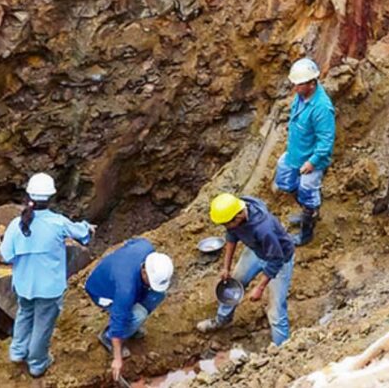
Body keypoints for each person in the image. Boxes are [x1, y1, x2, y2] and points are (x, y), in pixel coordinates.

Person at [0, 172, 94, 377]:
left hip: (24, 284)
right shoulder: (57, 223)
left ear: (28, 196)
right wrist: (88, 228)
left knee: (24, 314)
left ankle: (17, 351)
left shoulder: (16, 225)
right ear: (51, 198)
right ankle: (37, 363)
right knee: (42, 325)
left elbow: (6, 254)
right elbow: (83, 235)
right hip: (49, 288)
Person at [196, 193, 295, 346]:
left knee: (276, 311)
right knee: (232, 285)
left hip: (280, 259)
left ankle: (281, 352)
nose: (226, 227)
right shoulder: (235, 211)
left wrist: (260, 287)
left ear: (239, 216)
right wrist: (226, 267)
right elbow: (231, 235)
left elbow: (276, 259)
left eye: (227, 224)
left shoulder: (264, 228)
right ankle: (222, 320)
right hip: (256, 251)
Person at [84, 238, 174, 381]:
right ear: (144, 271)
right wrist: (117, 359)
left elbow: (129, 243)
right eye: (151, 282)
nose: (152, 285)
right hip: (102, 291)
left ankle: (132, 324)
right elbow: (118, 320)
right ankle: (107, 338)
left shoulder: (146, 247)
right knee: (137, 315)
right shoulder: (125, 289)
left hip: (122, 280)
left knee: (157, 294)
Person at [274, 57, 336, 245]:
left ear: (311, 84)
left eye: (298, 85)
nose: (294, 88)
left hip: (311, 160)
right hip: (295, 154)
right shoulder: (301, 97)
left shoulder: (322, 108)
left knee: (308, 191)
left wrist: (312, 162)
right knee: (284, 179)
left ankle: (307, 230)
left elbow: (326, 140)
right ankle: (305, 210)